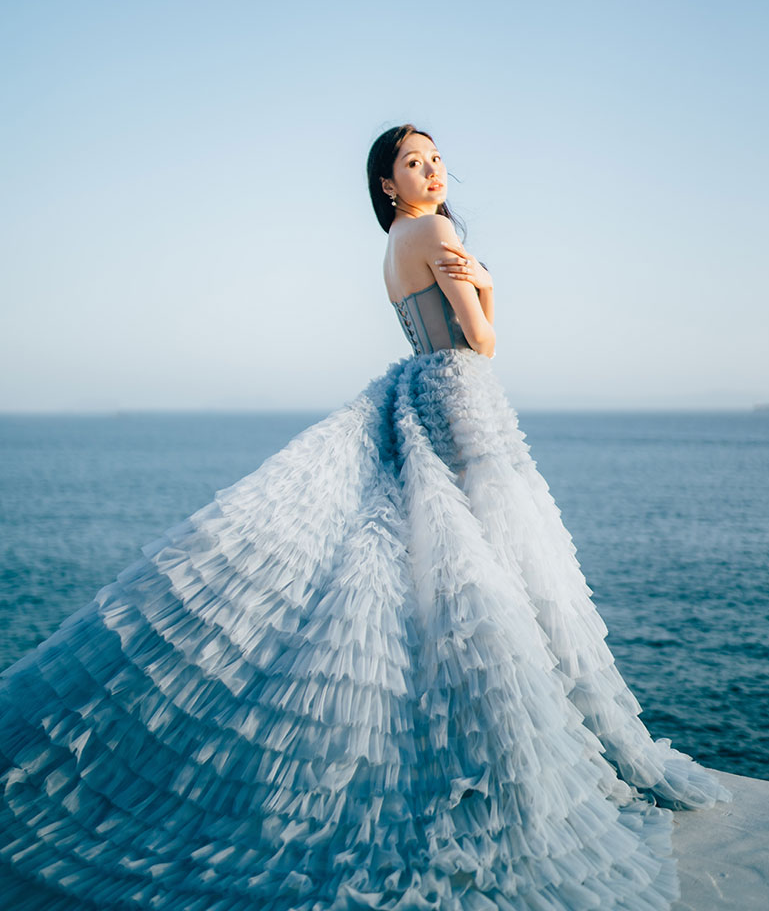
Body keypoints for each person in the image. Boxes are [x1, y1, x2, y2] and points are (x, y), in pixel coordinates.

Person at [0, 123, 732, 910]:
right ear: (389, 184)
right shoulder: (437, 229)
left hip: (423, 391)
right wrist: (490, 282)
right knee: (490, 571)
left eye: (437, 159)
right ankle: (489, 763)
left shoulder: (393, 246)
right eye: (413, 163)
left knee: (448, 567)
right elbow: (481, 341)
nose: (433, 171)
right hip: (462, 401)